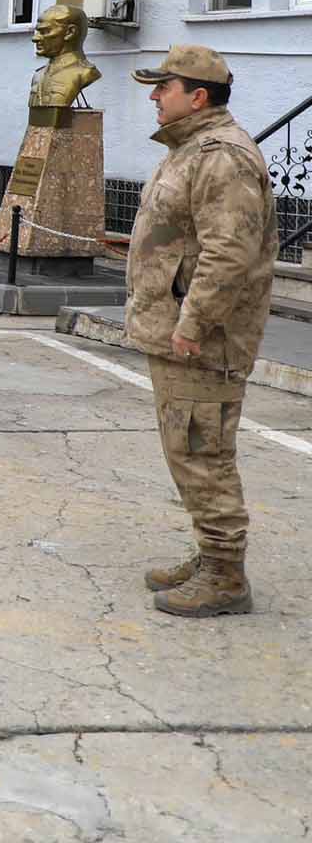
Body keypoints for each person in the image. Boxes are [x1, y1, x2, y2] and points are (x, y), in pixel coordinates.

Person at [127, 46, 277, 618]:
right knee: (189, 446)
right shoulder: (190, 149)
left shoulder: (222, 157)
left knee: (201, 448)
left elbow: (228, 251)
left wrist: (194, 322)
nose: (153, 95)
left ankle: (224, 574)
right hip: (178, 328)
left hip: (204, 337)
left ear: (198, 95)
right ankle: (210, 552)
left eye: (163, 86)